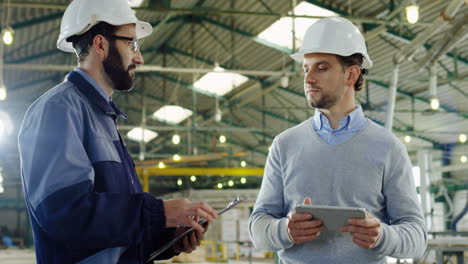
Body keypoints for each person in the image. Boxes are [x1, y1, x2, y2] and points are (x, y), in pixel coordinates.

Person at [18, 0, 217, 263]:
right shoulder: (58, 109)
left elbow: (111, 231)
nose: (139, 57)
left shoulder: (102, 117)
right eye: (131, 43)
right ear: (100, 44)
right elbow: (65, 214)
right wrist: (158, 213)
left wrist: (167, 237)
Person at [248, 17, 427, 263]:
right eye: (306, 68)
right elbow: (258, 228)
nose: (308, 78)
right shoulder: (284, 145)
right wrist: (284, 230)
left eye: (321, 68)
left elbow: (417, 238)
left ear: (351, 74)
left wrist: (383, 236)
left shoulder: (388, 148)